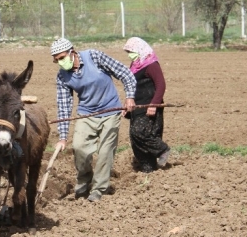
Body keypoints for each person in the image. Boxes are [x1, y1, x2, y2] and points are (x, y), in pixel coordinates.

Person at [51, 38, 136, 203]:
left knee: (105, 151)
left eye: (62, 57)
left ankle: (99, 189)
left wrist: (130, 97)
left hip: (110, 110)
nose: (60, 62)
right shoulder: (62, 76)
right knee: (79, 147)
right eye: (56, 60)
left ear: (72, 52)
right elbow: (64, 106)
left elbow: (125, 73)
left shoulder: (94, 57)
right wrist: (63, 137)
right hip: (86, 114)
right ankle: (84, 180)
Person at [123, 37, 170, 173]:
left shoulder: (151, 65)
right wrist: (127, 104)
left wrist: (154, 104)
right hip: (137, 107)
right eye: (128, 52)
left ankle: (162, 150)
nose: (130, 55)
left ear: (140, 49)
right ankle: (148, 169)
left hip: (149, 106)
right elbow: (131, 88)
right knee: (135, 139)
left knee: (140, 132)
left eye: (131, 51)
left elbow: (161, 85)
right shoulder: (134, 66)